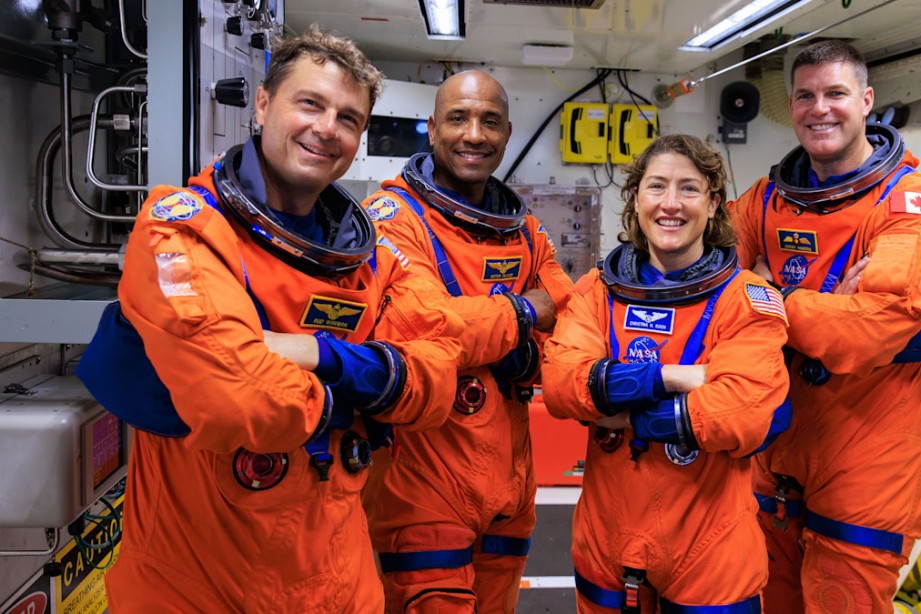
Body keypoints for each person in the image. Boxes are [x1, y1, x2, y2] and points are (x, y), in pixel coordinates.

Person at [82, 26, 463, 612]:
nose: (326, 128)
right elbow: (239, 399)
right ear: (262, 104)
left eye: (348, 118)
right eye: (310, 103)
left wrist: (316, 354)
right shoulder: (183, 229)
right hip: (199, 587)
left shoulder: (374, 259)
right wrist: (363, 394)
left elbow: (436, 380)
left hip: (341, 581)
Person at [729, 40, 921, 613]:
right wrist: (824, 304)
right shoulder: (765, 201)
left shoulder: (910, 202)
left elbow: (869, 329)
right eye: (805, 96)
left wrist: (769, 294)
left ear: (866, 100)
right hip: (774, 457)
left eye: (835, 93)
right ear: (791, 105)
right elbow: (707, 292)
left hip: (867, 464)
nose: (820, 109)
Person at [541, 133, 791, 613]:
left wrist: (626, 415)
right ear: (636, 199)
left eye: (689, 188)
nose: (670, 204)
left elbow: (743, 412)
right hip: (606, 540)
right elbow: (560, 384)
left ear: (713, 204)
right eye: (656, 186)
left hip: (710, 547)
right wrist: (675, 378)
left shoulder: (746, 298)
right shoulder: (598, 291)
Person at [359, 69, 574, 613]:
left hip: (510, 485)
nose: (474, 135)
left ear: (507, 134)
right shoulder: (394, 219)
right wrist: (524, 312)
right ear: (432, 129)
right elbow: (423, 328)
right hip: (421, 483)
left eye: (489, 122)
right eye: (458, 118)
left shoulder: (525, 231)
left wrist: (519, 350)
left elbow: (571, 328)